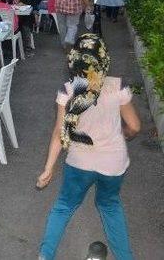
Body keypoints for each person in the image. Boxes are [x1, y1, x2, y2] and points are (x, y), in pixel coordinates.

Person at [37, 34, 140, 260]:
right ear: (103, 58)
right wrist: (118, 137)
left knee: (64, 206)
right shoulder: (118, 86)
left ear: (75, 59)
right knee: (110, 206)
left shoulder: (67, 91)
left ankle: (45, 256)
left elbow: (58, 133)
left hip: (79, 164)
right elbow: (134, 126)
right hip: (113, 164)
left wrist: (48, 168)